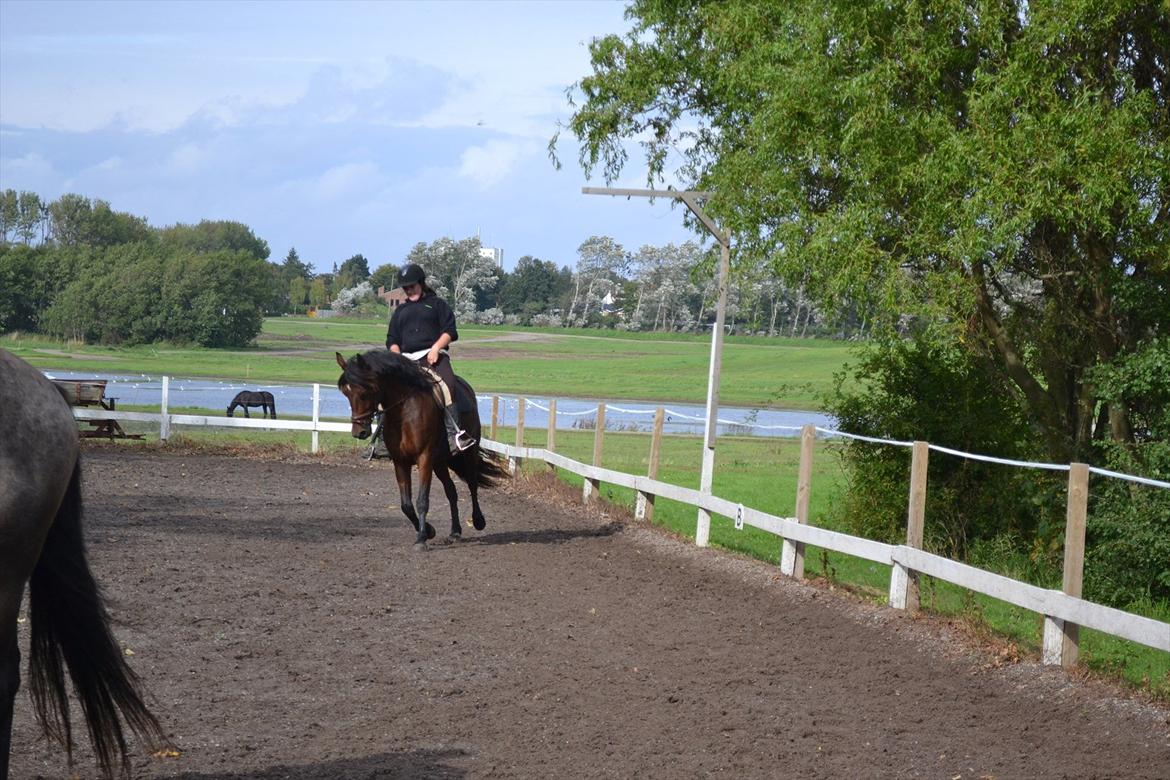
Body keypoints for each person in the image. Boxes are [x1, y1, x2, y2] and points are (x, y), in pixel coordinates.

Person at [380, 263, 475, 455]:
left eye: (412, 287)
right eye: (406, 288)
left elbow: (450, 331)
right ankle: (381, 440)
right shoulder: (400, 311)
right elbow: (392, 338)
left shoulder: (438, 305)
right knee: (385, 391)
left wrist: (436, 348)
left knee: (447, 386)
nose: (409, 291)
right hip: (406, 360)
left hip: (433, 356)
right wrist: (395, 353)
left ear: (421, 284)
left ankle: (454, 435)